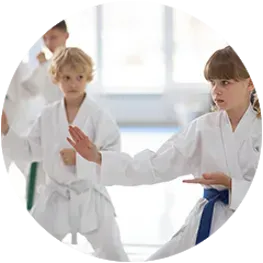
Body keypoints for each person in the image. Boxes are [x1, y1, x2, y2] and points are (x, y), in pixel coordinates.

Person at [66, 46, 261, 261]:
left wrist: (233, 184)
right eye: (212, 82)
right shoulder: (203, 127)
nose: (216, 90)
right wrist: (99, 157)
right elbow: (155, 164)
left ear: (250, 83)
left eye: (225, 82)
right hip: (207, 220)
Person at [0, 47, 129, 263]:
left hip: (91, 196)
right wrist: (6, 130)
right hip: (55, 197)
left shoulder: (99, 116)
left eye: (79, 77)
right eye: (66, 77)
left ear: (88, 78)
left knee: (113, 253)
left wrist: (80, 160)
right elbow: (29, 151)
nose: (73, 83)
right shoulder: (48, 115)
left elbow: (113, 157)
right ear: (56, 79)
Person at [21, 20, 69, 210]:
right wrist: (42, 67)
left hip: (66, 128)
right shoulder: (46, 65)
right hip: (46, 128)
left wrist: (44, 67)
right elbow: (29, 90)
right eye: (45, 38)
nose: (49, 43)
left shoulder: (73, 62)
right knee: (39, 179)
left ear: (66, 36)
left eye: (54, 37)